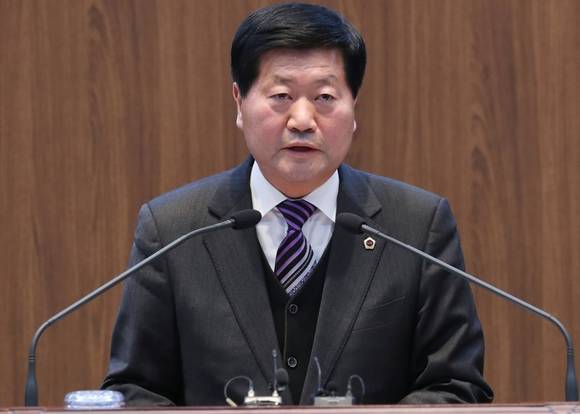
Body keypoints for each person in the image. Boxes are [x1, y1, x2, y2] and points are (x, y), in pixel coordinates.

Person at [102, 3, 493, 406]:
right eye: (281, 96)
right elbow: (136, 391)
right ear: (239, 102)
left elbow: (456, 387)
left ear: (353, 106)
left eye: (324, 97)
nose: (302, 120)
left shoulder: (416, 226)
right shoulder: (173, 230)